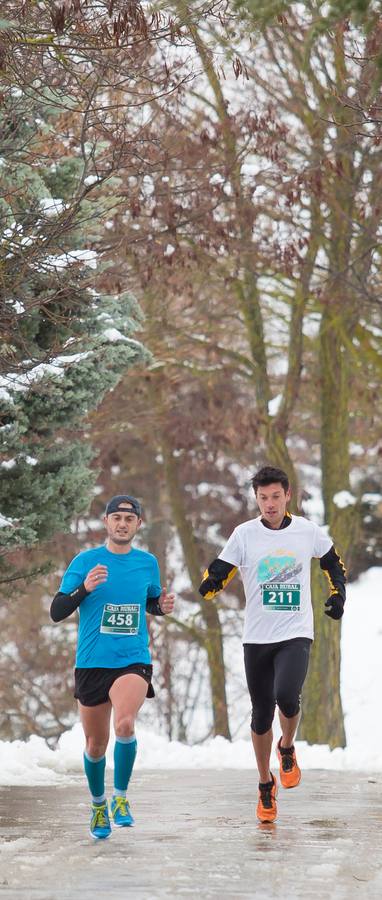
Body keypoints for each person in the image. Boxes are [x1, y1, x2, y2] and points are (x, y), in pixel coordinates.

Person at [199, 466, 346, 824]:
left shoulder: (307, 531)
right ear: (257, 499)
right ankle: (266, 783)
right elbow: (220, 568)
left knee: (287, 696)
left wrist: (338, 594)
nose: (269, 504)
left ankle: (287, 746)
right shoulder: (244, 534)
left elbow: (333, 564)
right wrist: (211, 582)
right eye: (263, 498)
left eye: (275, 497)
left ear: (287, 495)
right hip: (257, 637)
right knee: (261, 713)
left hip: (295, 632)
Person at [50, 494, 175, 840]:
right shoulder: (85, 561)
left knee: (125, 722)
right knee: (95, 745)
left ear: (138, 524)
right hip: (91, 662)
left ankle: (120, 798)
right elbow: (57, 610)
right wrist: (84, 589)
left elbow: (149, 601)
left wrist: (162, 605)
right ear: (106, 522)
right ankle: (98, 804)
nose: (122, 523)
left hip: (132, 658)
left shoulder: (147, 563)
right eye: (116, 517)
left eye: (129, 518)